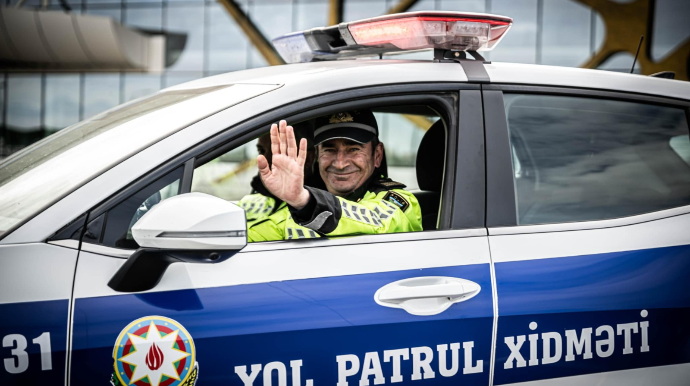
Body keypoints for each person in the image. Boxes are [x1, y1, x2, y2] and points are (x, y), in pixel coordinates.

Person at [248, 109, 421, 242]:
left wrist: (306, 202)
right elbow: (249, 239)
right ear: (316, 155)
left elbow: (377, 221)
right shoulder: (298, 208)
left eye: (353, 149)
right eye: (329, 150)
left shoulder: (399, 202)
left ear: (377, 155)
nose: (339, 163)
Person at [238, 122, 317, 225]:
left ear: (308, 159)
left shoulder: (318, 209)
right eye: (261, 151)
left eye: (279, 152)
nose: (264, 158)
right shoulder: (250, 201)